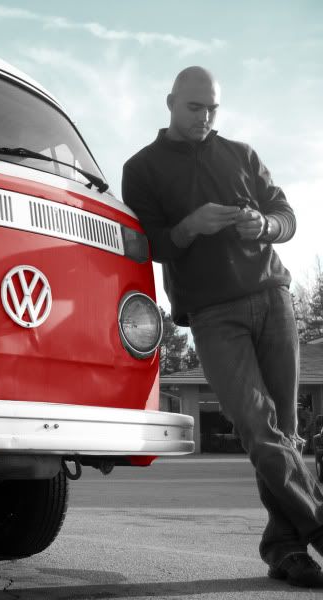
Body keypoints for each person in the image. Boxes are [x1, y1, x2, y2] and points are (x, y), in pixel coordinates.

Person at [122, 66, 323, 589]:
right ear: (170, 102)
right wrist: (190, 226)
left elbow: (286, 214)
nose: (205, 117)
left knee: (285, 433)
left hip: (273, 298)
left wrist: (266, 224)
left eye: (213, 108)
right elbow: (148, 245)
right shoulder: (140, 168)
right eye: (195, 107)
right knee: (257, 427)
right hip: (213, 313)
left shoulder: (242, 154)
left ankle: (285, 549)